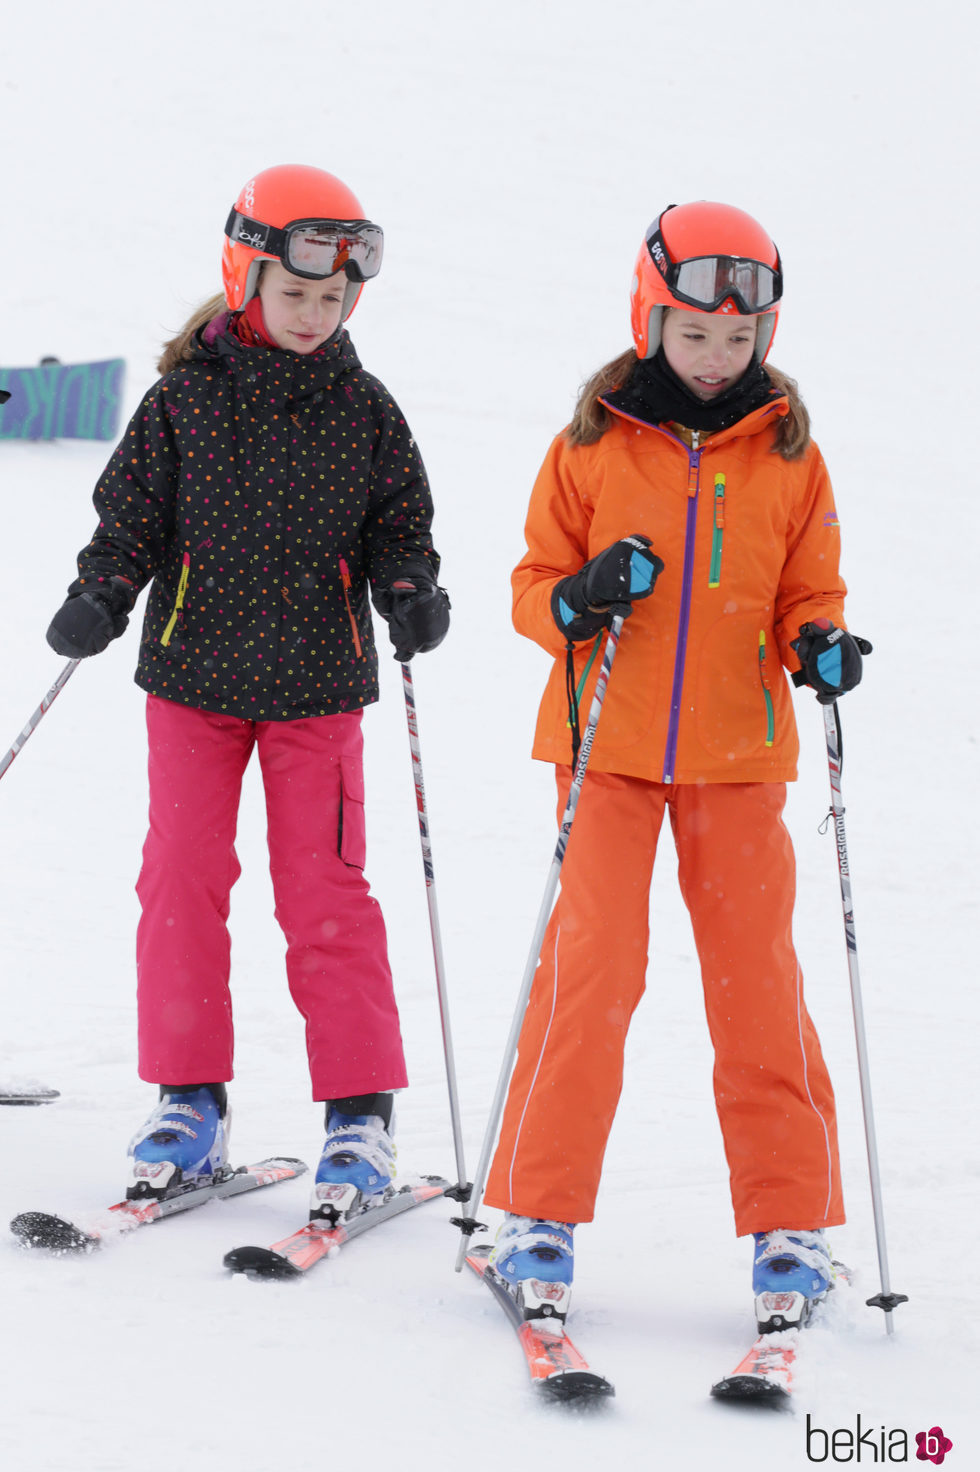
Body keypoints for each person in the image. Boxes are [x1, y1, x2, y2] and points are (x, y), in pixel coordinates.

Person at [482, 201, 870, 1333]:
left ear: (764, 334)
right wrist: (579, 595)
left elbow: (812, 585)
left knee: (756, 986)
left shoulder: (788, 449)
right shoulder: (592, 441)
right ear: (651, 319)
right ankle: (535, 1213)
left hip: (738, 757)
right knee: (590, 976)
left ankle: (789, 1222)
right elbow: (532, 584)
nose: (714, 358)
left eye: (736, 339)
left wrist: (819, 643)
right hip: (603, 745)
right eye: (692, 333)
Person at [45, 164, 450, 1223]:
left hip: (317, 687)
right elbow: (130, 516)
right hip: (192, 679)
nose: (315, 313)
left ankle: (358, 1113)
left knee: (325, 895)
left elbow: (397, 524)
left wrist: (409, 589)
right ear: (246, 277)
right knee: (180, 881)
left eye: (333, 297)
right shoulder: (183, 399)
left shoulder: (364, 409)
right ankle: (190, 1100)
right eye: (296, 292)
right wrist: (101, 591)